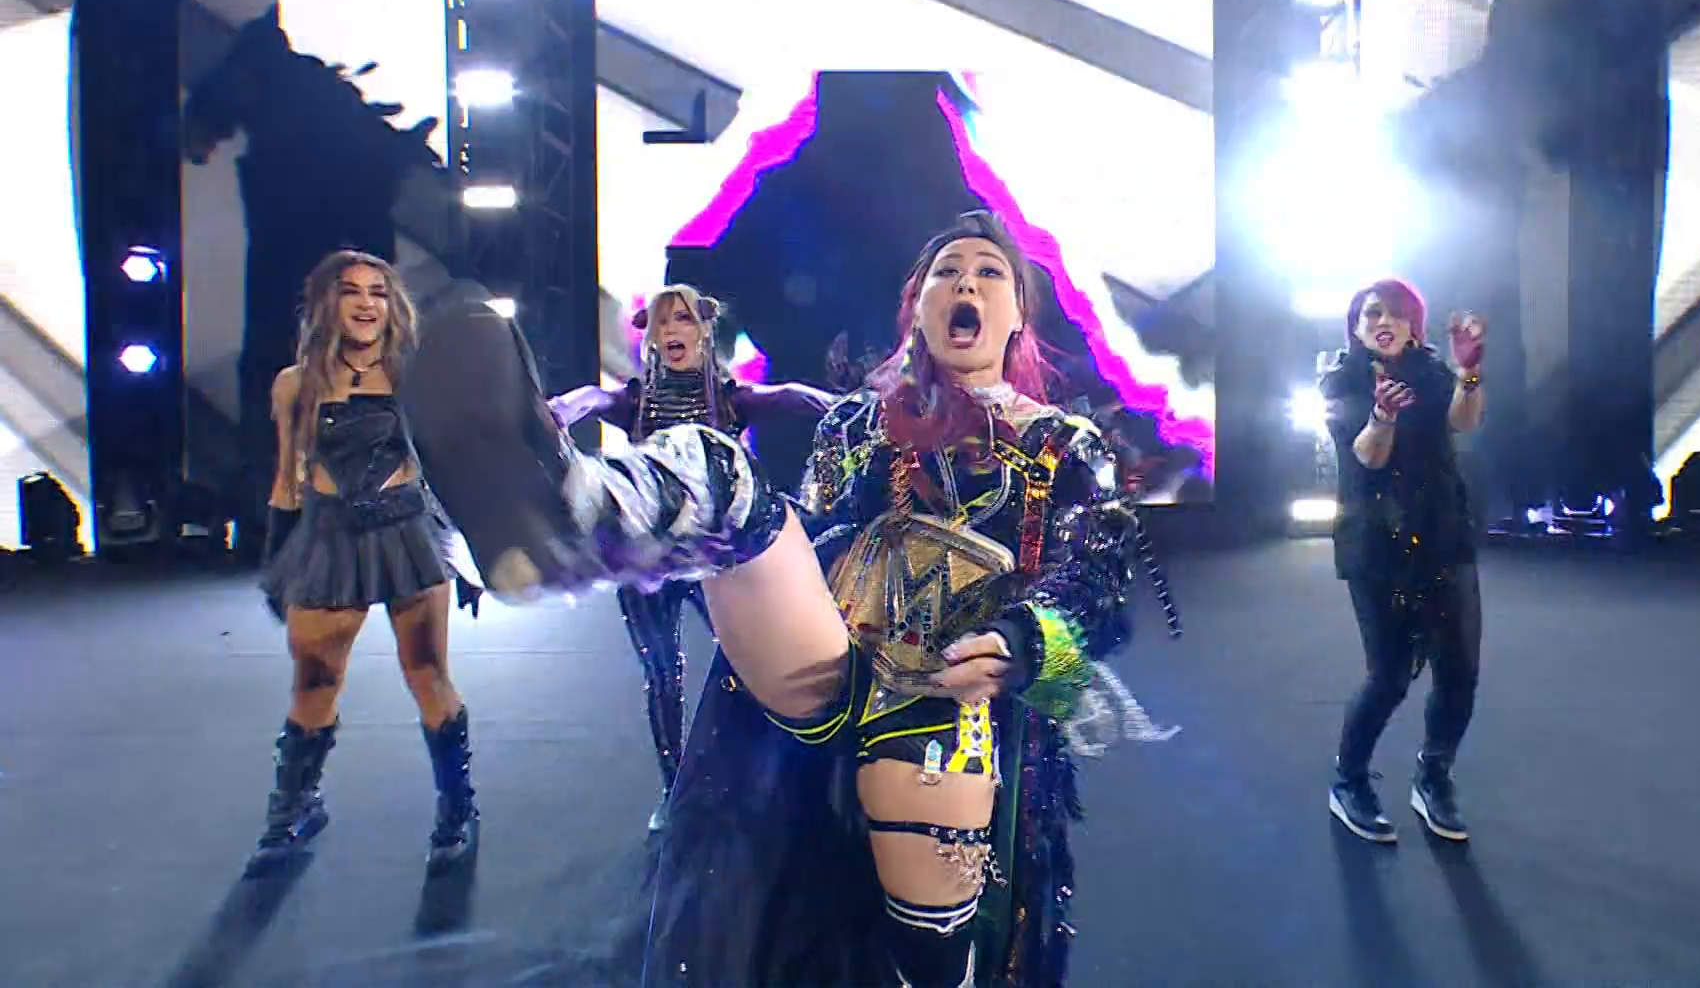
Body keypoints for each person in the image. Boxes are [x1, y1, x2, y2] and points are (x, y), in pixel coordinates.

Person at [401, 211, 1142, 986]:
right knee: (726, 480)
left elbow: (1098, 583)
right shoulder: (857, 423)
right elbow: (809, 530)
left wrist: (1025, 642)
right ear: (917, 307)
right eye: (945, 272)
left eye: (988, 273)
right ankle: (564, 515)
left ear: (1018, 313)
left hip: (966, 705)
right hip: (834, 658)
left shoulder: (1066, 446)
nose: (966, 283)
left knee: (929, 866)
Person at [545, 284, 834, 831]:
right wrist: (560, 409)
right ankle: (674, 788)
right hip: (651, 561)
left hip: (713, 558)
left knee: (750, 663)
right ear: (651, 337)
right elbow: (591, 398)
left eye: (683, 320)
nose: (673, 330)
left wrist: (846, 408)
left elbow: (789, 395)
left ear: (703, 331)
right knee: (662, 672)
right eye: (662, 322)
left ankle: (762, 780)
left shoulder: (730, 399)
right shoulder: (634, 401)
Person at [249, 250, 478, 876]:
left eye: (378, 291)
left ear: (392, 304)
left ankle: (457, 807)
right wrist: (276, 559)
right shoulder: (296, 384)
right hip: (329, 537)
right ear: (328, 303)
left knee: (427, 674)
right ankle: (294, 807)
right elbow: (287, 479)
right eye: (351, 291)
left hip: (406, 533)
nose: (366, 303)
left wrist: (469, 557)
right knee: (314, 681)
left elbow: (451, 467)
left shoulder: (414, 377)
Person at [1319, 279, 1487, 844]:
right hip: (1376, 547)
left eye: (1396, 313)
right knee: (1389, 677)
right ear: (1356, 325)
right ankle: (1349, 781)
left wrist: (1469, 372)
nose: (1383, 321)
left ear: (1414, 325)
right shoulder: (1341, 381)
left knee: (1459, 672)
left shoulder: (1431, 374)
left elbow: (1464, 420)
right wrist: (1383, 415)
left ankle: (1433, 776)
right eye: (1372, 313)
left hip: (1443, 537)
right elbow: (1367, 457)